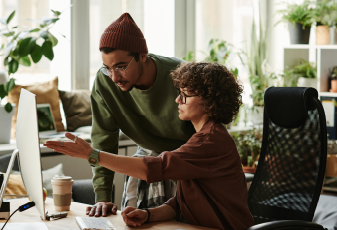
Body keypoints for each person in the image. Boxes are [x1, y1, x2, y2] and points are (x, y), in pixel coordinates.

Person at [45, 62, 253, 230]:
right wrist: (148, 214)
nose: (177, 100)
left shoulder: (210, 141)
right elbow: (181, 203)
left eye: (185, 95)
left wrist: (92, 155)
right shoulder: (202, 137)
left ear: (209, 101)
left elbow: (152, 168)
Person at [86, 12, 196, 217]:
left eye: (120, 67)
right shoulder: (105, 83)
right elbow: (103, 140)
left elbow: (208, 135)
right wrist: (103, 196)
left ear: (142, 56)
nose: (114, 77)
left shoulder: (182, 75)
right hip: (145, 160)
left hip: (187, 164)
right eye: (107, 68)